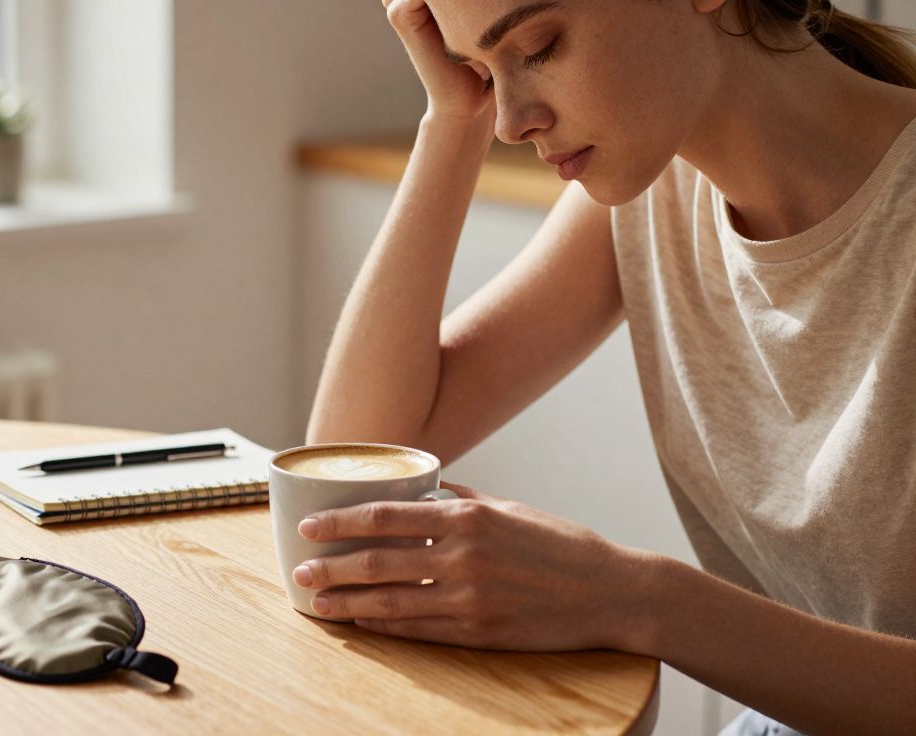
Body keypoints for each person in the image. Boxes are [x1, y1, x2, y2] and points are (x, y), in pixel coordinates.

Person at [299, 1, 916, 733]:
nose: (511, 121)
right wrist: (452, 121)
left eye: (538, 45)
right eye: (480, 70)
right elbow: (352, 460)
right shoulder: (656, 184)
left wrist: (635, 600)